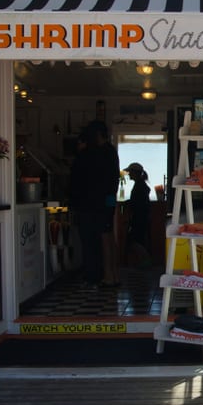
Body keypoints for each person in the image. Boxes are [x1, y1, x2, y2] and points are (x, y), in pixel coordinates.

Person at [69, 121, 120, 289]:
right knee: (108, 237)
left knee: (97, 240)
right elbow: (113, 181)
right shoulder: (111, 152)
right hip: (107, 202)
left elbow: (81, 182)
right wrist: (110, 204)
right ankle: (113, 274)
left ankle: (107, 277)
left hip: (94, 205)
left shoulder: (93, 154)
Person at [125, 162, 151, 267]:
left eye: (130, 172)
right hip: (141, 218)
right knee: (137, 240)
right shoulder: (141, 185)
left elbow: (137, 203)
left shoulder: (139, 186)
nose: (129, 174)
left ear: (135, 173)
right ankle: (143, 261)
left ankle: (145, 260)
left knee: (134, 241)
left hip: (139, 219)